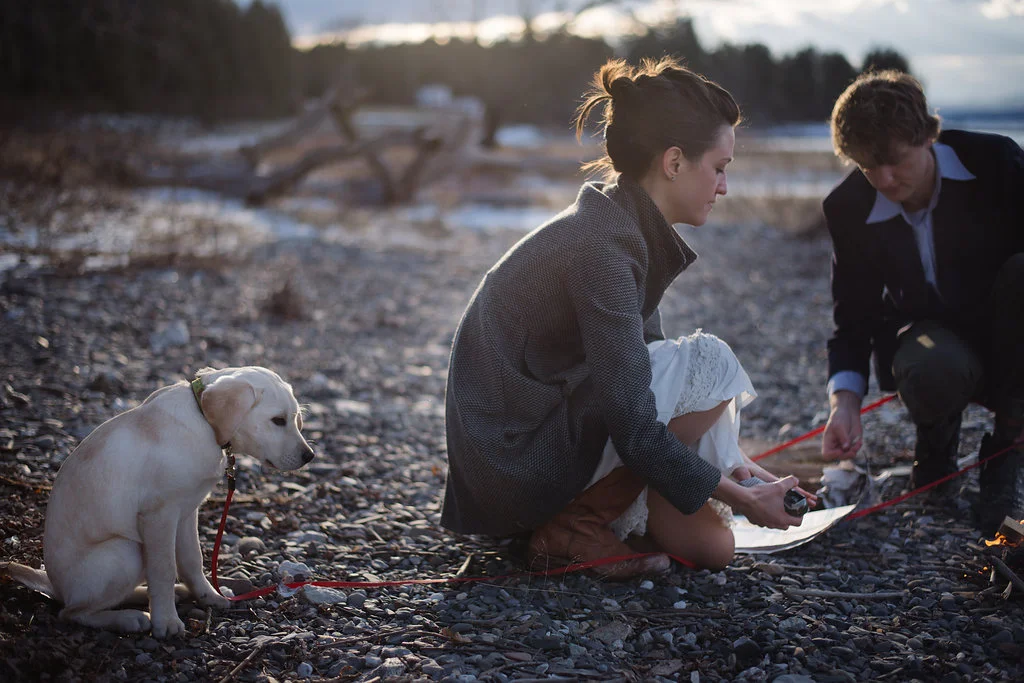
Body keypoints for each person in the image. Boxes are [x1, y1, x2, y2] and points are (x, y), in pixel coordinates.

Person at [441, 57, 809, 578]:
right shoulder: (602, 248)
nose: (724, 187)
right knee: (711, 361)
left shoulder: (623, 229)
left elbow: (646, 370)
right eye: (719, 167)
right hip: (515, 464)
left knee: (713, 549)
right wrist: (744, 499)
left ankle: (589, 516)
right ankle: (572, 526)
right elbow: (635, 420)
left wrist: (748, 477)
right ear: (674, 162)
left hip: (540, 438)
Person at [819, 70, 1024, 535]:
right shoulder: (848, 208)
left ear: (928, 135)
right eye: (868, 166)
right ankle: (935, 442)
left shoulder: (997, 164)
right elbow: (852, 316)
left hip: (1014, 332)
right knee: (929, 364)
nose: (884, 179)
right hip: (934, 345)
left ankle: (1007, 449)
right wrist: (844, 405)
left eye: (894, 161)